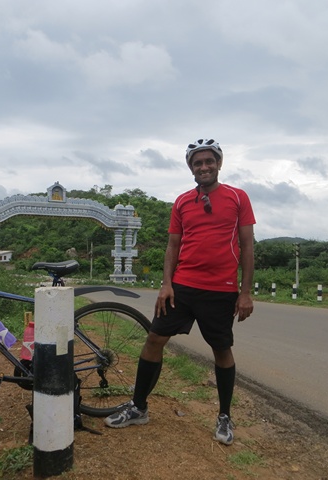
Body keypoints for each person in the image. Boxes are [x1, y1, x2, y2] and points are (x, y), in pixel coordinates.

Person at [104, 138, 256, 445]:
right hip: (182, 287)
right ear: (191, 168)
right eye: (197, 163)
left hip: (221, 289)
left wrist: (245, 292)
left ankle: (224, 415)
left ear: (219, 164)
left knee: (221, 349)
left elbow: (248, 245)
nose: (204, 167)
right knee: (154, 339)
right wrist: (166, 284)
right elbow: (173, 245)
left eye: (209, 161)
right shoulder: (182, 202)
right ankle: (139, 407)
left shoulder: (238, 197)